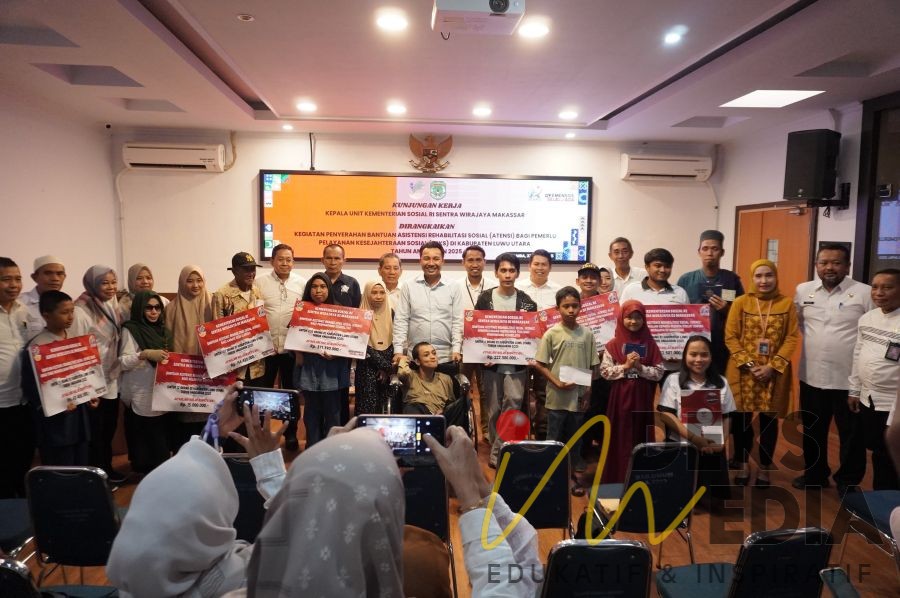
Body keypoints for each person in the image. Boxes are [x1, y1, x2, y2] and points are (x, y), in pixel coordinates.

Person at [106, 436, 253, 598]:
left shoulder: (132, 580)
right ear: (210, 532)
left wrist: (211, 435)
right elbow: (274, 545)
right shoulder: (245, 577)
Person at [792, 244, 871, 493]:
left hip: (848, 379)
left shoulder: (864, 293)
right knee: (812, 430)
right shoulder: (803, 290)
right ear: (816, 265)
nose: (829, 267)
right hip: (811, 375)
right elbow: (800, 323)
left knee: (851, 435)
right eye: (823, 262)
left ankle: (848, 481)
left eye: (836, 263)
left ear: (847, 266)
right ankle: (815, 474)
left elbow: (872, 329)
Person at [724, 259, 800, 488]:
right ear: (752, 278)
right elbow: (731, 336)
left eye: (769, 275)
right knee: (742, 422)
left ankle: (765, 469)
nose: (764, 281)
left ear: (776, 277)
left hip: (773, 373)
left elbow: (791, 338)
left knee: (769, 423)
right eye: (758, 276)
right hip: (742, 372)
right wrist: (749, 364)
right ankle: (743, 464)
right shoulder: (741, 302)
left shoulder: (786, 304)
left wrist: (771, 367)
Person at [531, 287, 601, 495]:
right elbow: (539, 364)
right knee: (554, 434)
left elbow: (592, 367)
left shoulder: (587, 334)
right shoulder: (551, 333)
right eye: (566, 306)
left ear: (580, 307)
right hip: (556, 396)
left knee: (575, 436)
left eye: (575, 306)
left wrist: (588, 393)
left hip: (578, 397)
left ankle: (572, 471)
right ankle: (551, 471)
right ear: (558, 308)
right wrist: (557, 383)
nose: (571, 310)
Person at [474, 253, 538, 467]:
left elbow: (531, 336)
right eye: (503, 270)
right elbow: (477, 331)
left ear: (518, 273)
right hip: (491, 365)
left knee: (512, 405)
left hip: (517, 365)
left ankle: (499, 452)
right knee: (493, 411)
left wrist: (529, 353)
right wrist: (483, 355)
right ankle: (498, 445)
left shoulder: (527, 302)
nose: (508, 275)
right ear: (496, 273)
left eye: (512, 270)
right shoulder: (485, 299)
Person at [658, 335, 735, 501]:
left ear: (711, 357)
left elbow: (727, 416)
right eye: (693, 354)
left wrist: (721, 443)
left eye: (704, 354)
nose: (698, 359)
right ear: (685, 356)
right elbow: (666, 414)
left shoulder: (721, 382)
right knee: (678, 497)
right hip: (681, 446)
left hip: (712, 447)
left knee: (711, 499)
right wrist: (695, 439)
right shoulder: (673, 380)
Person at [21, 290, 93, 466]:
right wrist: (54, 404)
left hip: (79, 414)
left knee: (81, 461)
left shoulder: (77, 341)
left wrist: (91, 393)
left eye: (72, 311)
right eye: (64, 312)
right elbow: (30, 386)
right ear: (46, 315)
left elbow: (84, 374)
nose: (70, 317)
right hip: (55, 421)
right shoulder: (38, 346)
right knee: (61, 466)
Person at [600, 300, 665, 484]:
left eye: (638, 317)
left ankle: (640, 480)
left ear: (644, 320)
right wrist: (626, 366)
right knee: (619, 436)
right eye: (629, 317)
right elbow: (605, 372)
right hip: (619, 399)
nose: (634, 321)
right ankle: (616, 478)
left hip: (642, 397)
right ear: (622, 318)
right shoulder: (613, 345)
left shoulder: (650, 344)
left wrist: (640, 368)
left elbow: (659, 372)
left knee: (640, 435)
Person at [848, 268, 900, 490]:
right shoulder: (867, 318)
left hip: (894, 403)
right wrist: (854, 389)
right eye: (875, 287)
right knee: (877, 451)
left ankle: (889, 500)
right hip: (868, 398)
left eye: (887, 287)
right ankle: (882, 498)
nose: (879, 292)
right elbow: (858, 353)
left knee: (891, 454)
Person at [75, 265, 126, 482]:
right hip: (92, 378)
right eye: (104, 283)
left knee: (108, 427)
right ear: (92, 284)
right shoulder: (81, 310)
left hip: (110, 374)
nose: (111, 287)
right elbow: (77, 349)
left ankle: (106, 468)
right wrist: (86, 386)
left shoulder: (110, 304)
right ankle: (95, 474)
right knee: (95, 431)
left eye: (113, 282)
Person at [256, 244, 306, 451]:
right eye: (280, 259)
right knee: (263, 394)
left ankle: (291, 434)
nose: (285, 263)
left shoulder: (302, 283)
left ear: (293, 262)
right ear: (272, 261)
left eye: (289, 259)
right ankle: (263, 434)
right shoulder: (259, 283)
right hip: (265, 349)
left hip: (291, 349)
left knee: (291, 393)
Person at [392, 241, 463, 381]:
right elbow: (401, 320)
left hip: (446, 357)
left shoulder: (453, 287)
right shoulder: (409, 286)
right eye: (426, 258)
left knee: (448, 395)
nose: (431, 263)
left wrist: (457, 349)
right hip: (416, 358)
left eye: (436, 258)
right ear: (420, 260)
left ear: (443, 261)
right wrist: (398, 351)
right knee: (415, 395)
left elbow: (457, 321)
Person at [676, 230, 745, 373]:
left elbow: (744, 315)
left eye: (715, 249)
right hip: (693, 347)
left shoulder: (731, 279)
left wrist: (727, 310)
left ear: (722, 252)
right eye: (705, 248)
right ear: (699, 252)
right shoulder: (686, 280)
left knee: (720, 382)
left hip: (723, 346)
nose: (709, 253)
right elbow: (676, 315)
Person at [294, 273, 350, 447]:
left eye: (323, 286)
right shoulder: (301, 311)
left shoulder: (340, 311)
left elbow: (349, 342)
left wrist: (337, 353)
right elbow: (294, 338)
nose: (318, 290)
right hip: (309, 370)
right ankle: (312, 450)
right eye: (314, 286)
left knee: (333, 414)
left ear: (329, 289)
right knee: (311, 414)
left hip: (332, 371)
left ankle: (331, 450)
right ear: (309, 289)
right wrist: (298, 353)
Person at [119, 291, 172, 474]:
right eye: (148, 308)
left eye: (157, 308)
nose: (153, 312)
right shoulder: (131, 329)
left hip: (160, 391)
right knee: (144, 446)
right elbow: (123, 362)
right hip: (139, 391)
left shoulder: (163, 330)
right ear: (140, 309)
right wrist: (144, 354)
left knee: (160, 444)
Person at [165, 265, 215, 447]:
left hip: (209, 372)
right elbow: (167, 342)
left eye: (199, 280)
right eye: (190, 281)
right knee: (185, 419)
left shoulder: (213, 303)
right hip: (183, 373)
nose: (195, 285)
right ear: (182, 283)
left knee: (209, 416)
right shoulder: (171, 308)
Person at [517, 249, 562, 440]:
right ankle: (521, 434)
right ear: (529, 266)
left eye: (544, 264)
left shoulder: (558, 291)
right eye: (536, 264)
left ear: (550, 267)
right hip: (522, 351)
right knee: (520, 394)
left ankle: (543, 434)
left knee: (544, 394)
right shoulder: (518, 288)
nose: (540, 268)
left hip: (548, 352)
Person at [0, 257, 33, 497]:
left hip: (24, 398)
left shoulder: (24, 310)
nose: (14, 285)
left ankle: (20, 503)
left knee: (22, 454)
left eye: (18, 279)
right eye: (6, 279)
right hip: (1, 402)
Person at [320, 244, 359, 425]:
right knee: (320, 392)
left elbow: (358, 317)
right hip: (319, 348)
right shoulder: (316, 282)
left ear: (344, 260)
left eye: (337, 258)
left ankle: (341, 429)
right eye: (329, 258)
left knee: (342, 390)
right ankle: (321, 431)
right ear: (322, 260)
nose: (333, 262)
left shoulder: (352, 283)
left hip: (343, 349)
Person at [212, 252, 265, 383]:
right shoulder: (222, 294)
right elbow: (217, 331)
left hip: (256, 363)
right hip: (234, 363)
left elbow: (261, 321)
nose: (251, 273)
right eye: (246, 269)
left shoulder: (256, 291)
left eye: (253, 269)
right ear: (234, 271)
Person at [458, 245, 488, 437]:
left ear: (484, 262)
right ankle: (461, 427)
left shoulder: (494, 285)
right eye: (470, 260)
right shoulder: (455, 287)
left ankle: (486, 430)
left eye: (478, 260)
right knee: (461, 387)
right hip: (464, 346)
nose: (474, 264)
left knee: (487, 391)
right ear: (463, 263)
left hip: (487, 348)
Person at [354, 279, 393, 415]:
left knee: (386, 411)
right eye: (374, 292)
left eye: (382, 292)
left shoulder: (392, 314)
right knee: (367, 410)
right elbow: (359, 344)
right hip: (366, 368)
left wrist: (385, 368)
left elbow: (395, 341)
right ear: (366, 294)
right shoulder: (358, 316)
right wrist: (385, 366)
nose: (378, 296)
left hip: (387, 371)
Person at [398, 342, 454, 415]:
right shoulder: (410, 376)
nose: (433, 357)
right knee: (412, 407)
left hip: (441, 416)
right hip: (419, 415)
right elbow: (402, 373)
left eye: (434, 353)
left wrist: (444, 411)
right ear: (417, 361)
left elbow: (451, 403)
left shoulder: (445, 378)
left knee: (463, 402)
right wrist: (403, 359)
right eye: (426, 355)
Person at [21, 255, 67, 338]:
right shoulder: (19, 304)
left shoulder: (69, 305)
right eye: (48, 273)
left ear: (64, 277)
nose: (55, 278)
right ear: (34, 277)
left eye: (60, 274)